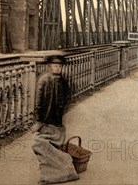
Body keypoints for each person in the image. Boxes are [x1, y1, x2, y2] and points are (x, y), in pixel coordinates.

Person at [32, 54, 79, 185]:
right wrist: (38, 120)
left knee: (56, 143)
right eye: (55, 66)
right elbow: (38, 102)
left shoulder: (63, 81)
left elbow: (69, 96)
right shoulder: (43, 80)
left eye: (59, 66)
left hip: (57, 119)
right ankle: (50, 171)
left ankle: (55, 171)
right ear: (49, 66)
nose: (57, 68)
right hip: (45, 119)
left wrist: (63, 107)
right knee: (43, 144)